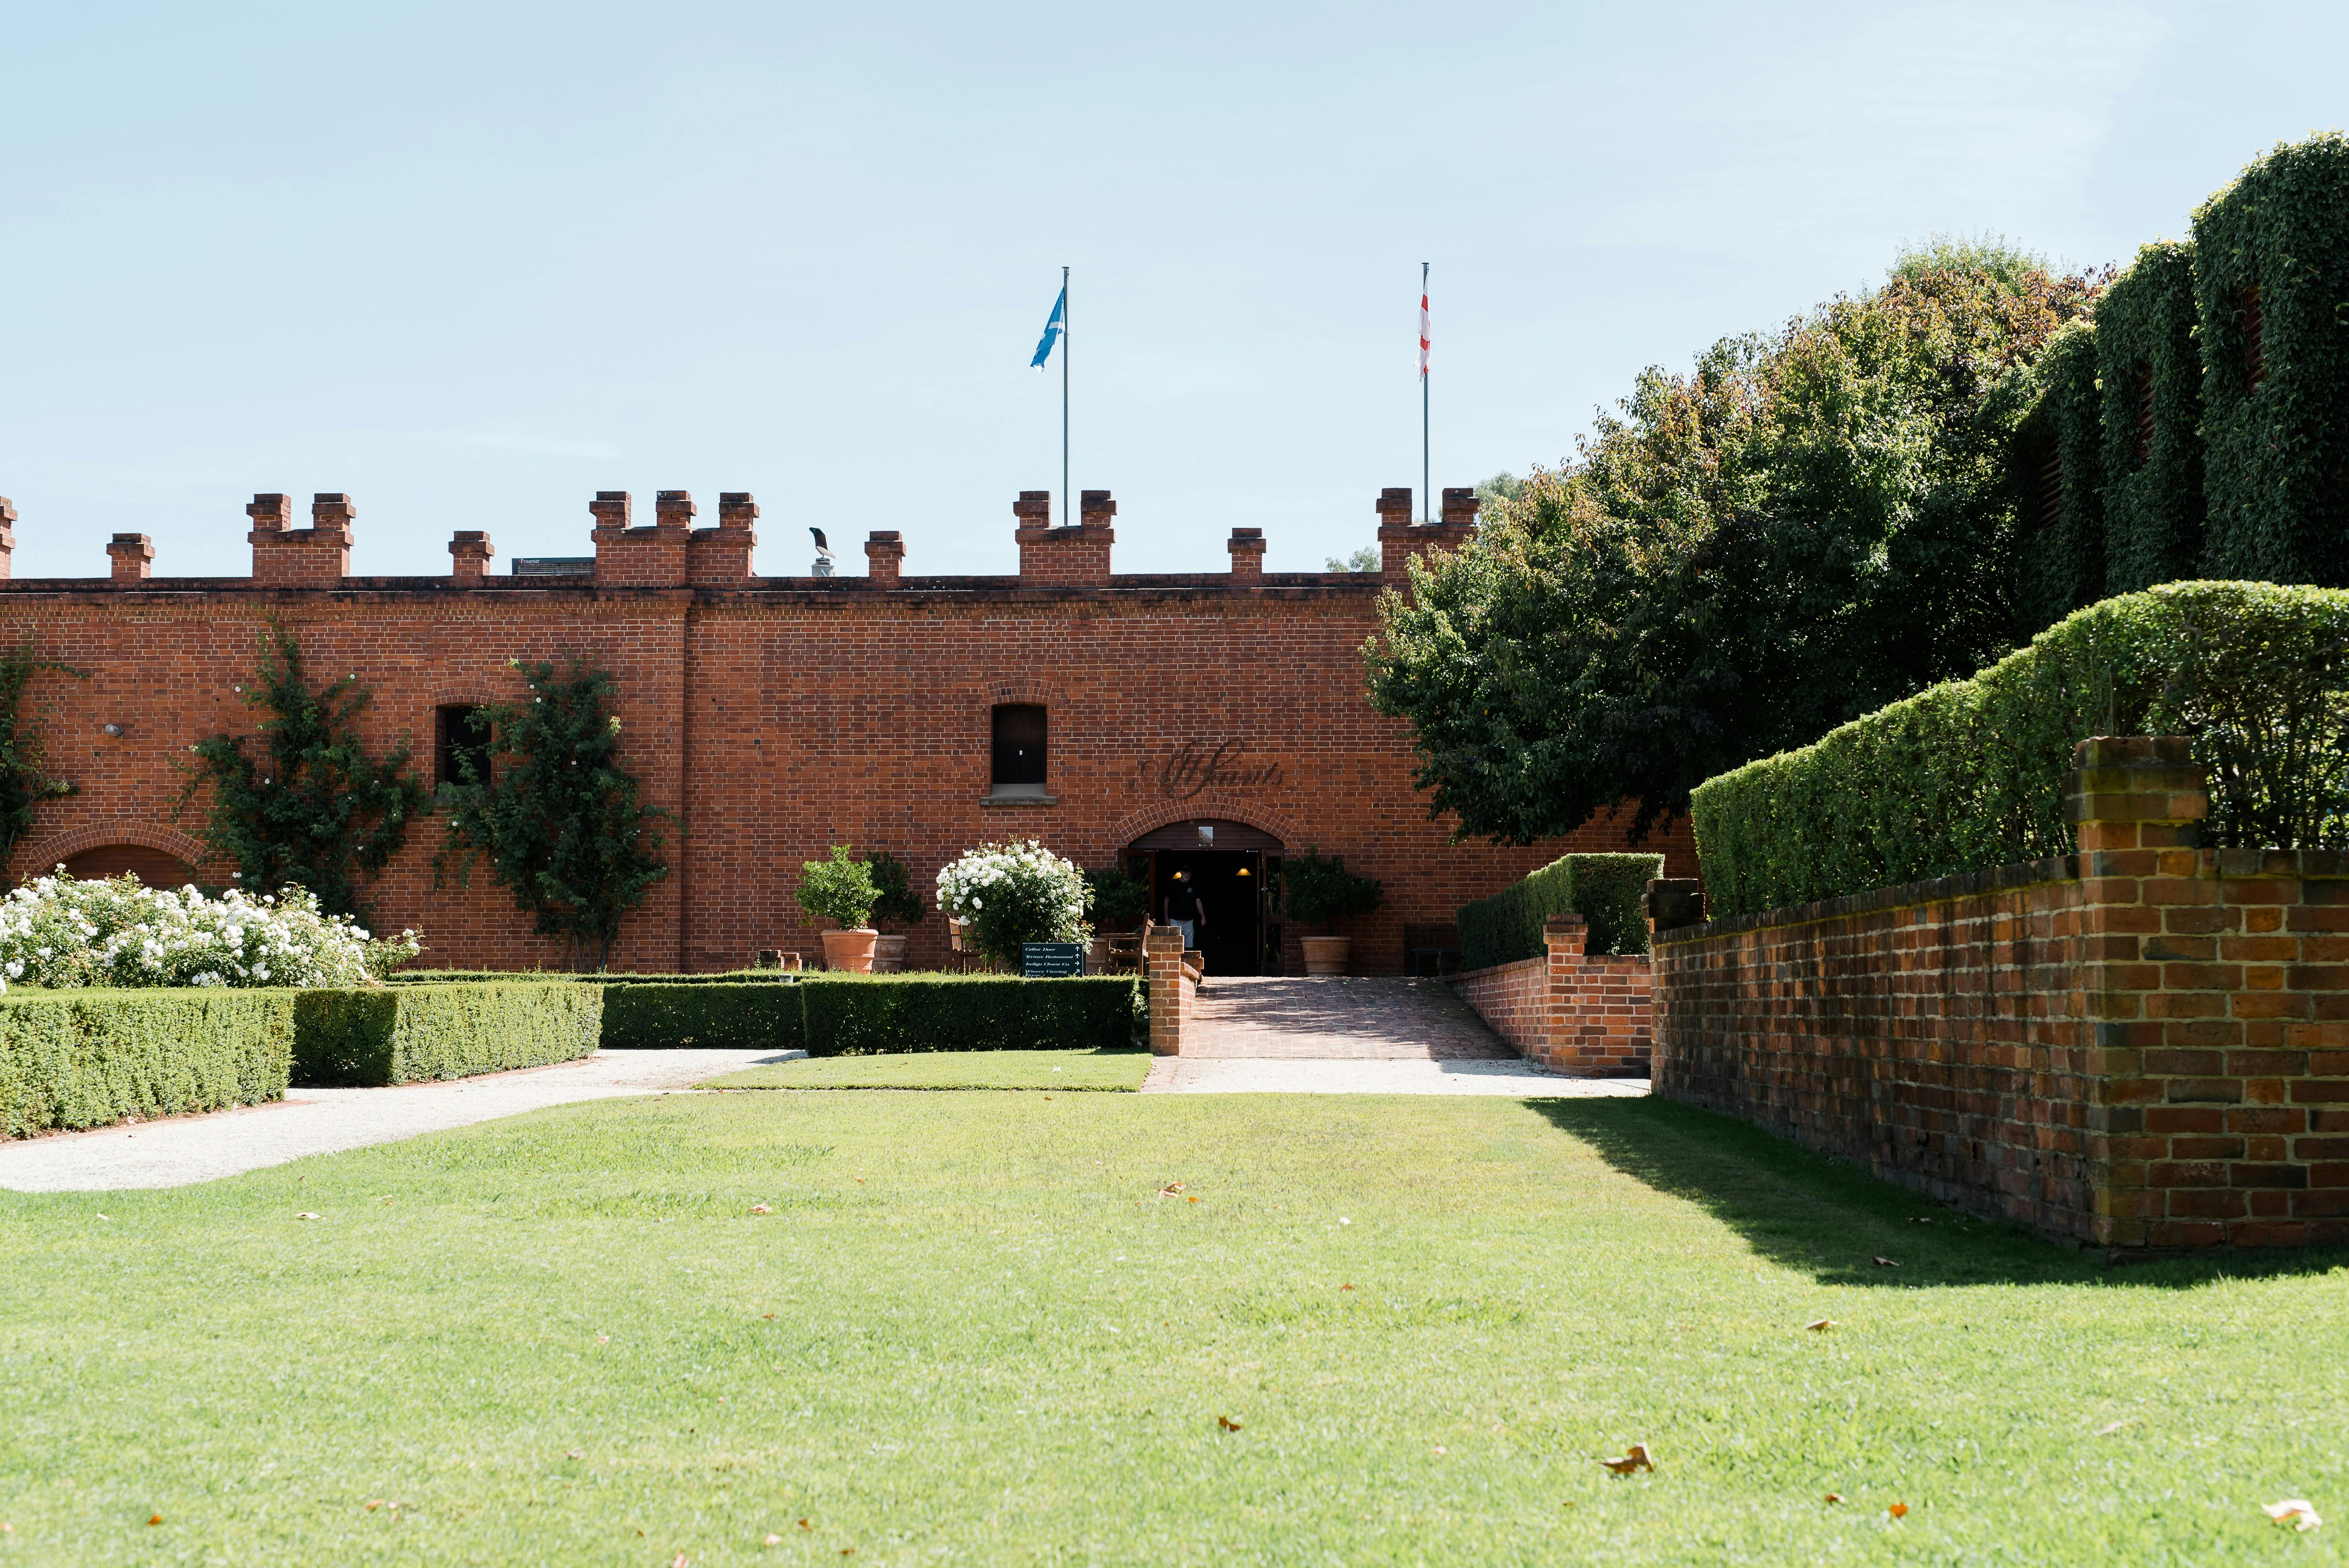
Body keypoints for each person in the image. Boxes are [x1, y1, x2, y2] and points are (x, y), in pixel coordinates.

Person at [1164, 870, 1206, 951]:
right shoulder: (1173, 884)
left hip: (1189, 921)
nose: (1187, 875)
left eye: (1189, 873)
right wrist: (1166, 917)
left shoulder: (1194, 885)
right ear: (1181, 873)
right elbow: (1166, 900)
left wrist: (1203, 916)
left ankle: (1186, 960)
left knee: (1188, 946)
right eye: (1185, 873)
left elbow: (1198, 902)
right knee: (1174, 944)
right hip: (1175, 921)